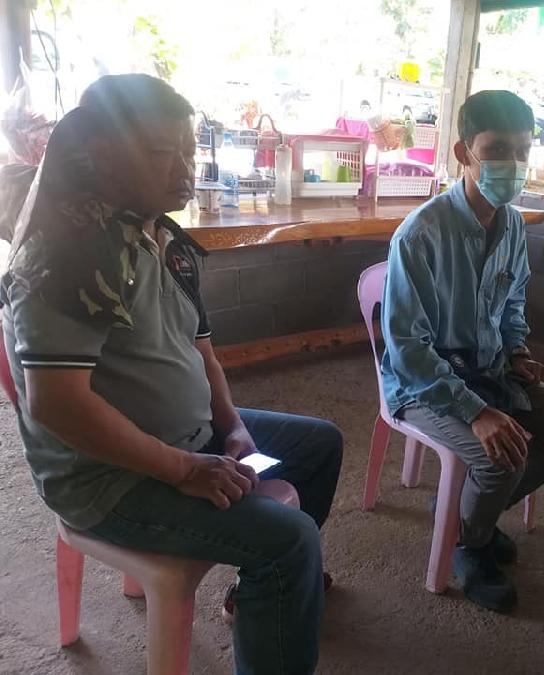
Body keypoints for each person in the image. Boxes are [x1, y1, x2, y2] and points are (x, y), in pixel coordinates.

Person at [1, 74, 342, 674]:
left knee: (318, 446)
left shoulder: (167, 239)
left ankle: (260, 591)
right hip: (107, 478)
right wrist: (184, 469)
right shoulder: (68, 254)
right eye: (164, 153)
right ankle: (278, 570)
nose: (185, 169)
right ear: (101, 154)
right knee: (290, 542)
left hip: (187, 436)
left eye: (190, 151)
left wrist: (233, 427)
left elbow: (202, 351)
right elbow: (56, 404)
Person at [381, 90, 544, 613]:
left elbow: (513, 301)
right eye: (498, 149)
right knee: (500, 459)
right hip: (424, 383)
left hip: (490, 367)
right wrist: (476, 412)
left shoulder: (512, 224)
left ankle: (465, 511)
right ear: (464, 153)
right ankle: (470, 542)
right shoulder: (420, 234)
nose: (514, 163)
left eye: (523, 150)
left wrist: (517, 350)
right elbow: (408, 348)